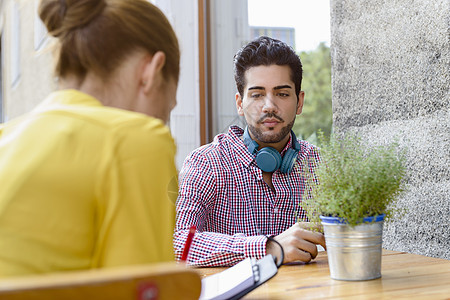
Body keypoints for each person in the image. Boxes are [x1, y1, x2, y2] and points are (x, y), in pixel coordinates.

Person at [0, 0, 180, 277]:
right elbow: (141, 292)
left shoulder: (6, 136)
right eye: (165, 109)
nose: (161, 123)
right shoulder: (136, 140)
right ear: (150, 72)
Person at [174, 36, 326, 267]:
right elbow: (180, 244)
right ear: (239, 103)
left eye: (282, 94)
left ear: (299, 102)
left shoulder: (320, 164)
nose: (269, 106)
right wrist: (268, 248)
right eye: (256, 94)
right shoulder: (206, 162)